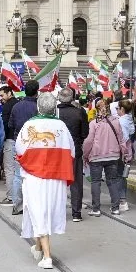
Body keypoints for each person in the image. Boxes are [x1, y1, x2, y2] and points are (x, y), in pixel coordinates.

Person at [15, 92, 75, 270]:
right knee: (46, 212)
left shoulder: (30, 124)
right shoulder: (62, 126)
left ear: (39, 107)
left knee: (38, 211)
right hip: (56, 176)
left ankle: (47, 257)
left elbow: (19, 149)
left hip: (35, 176)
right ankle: (38, 247)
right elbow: (71, 151)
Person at [82, 98, 130, 216]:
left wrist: (85, 155)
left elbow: (88, 141)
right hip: (113, 156)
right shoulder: (116, 121)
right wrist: (125, 154)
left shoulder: (94, 123)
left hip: (96, 156)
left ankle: (96, 209)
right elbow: (121, 139)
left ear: (97, 109)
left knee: (96, 182)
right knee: (113, 181)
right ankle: (115, 208)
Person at [55, 87, 89, 222]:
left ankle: (57, 212)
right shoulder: (79, 112)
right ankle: (76, 212)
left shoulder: (54, 113)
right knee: (76, 182)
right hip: (74, 150)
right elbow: (85, 133)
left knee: (57, 182)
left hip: (57, 151)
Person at [7, 80, 40, 215]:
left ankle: (17, 205)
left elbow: (11, 125)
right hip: (35, 145)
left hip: (20, 144)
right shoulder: (38, 107)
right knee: (36, 175)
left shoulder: (16, 107)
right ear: (36, 92)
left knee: (17, 175)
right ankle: (34, 205)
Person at [0, 85, 18, 205]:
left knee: (9, 170)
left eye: (2, 95)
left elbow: (4, 125)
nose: (1, 98)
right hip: (21, 140)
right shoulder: (19, 104)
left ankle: (11, 197)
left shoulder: (7, 107)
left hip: (10, 140)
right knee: (19, 170)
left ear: (9, 93)